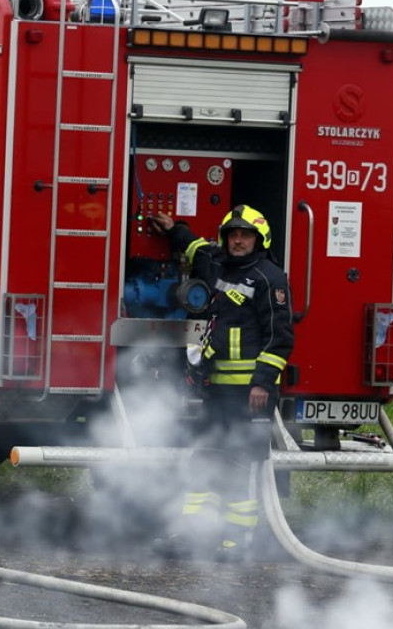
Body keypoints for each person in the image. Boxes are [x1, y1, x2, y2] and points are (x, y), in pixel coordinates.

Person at [148, 204, 295, 561]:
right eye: (233, 234)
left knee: (240, 466)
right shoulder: (218, 264)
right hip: (217, 390)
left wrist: (262, 383)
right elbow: (196, 247)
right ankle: (193, 535)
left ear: (259, 239)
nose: (238, 240)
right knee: (204, 457)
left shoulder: (269, 278)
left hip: (250, 395)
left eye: (245, 235)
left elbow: (280, 337)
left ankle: (237, 542)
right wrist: (173, 228)